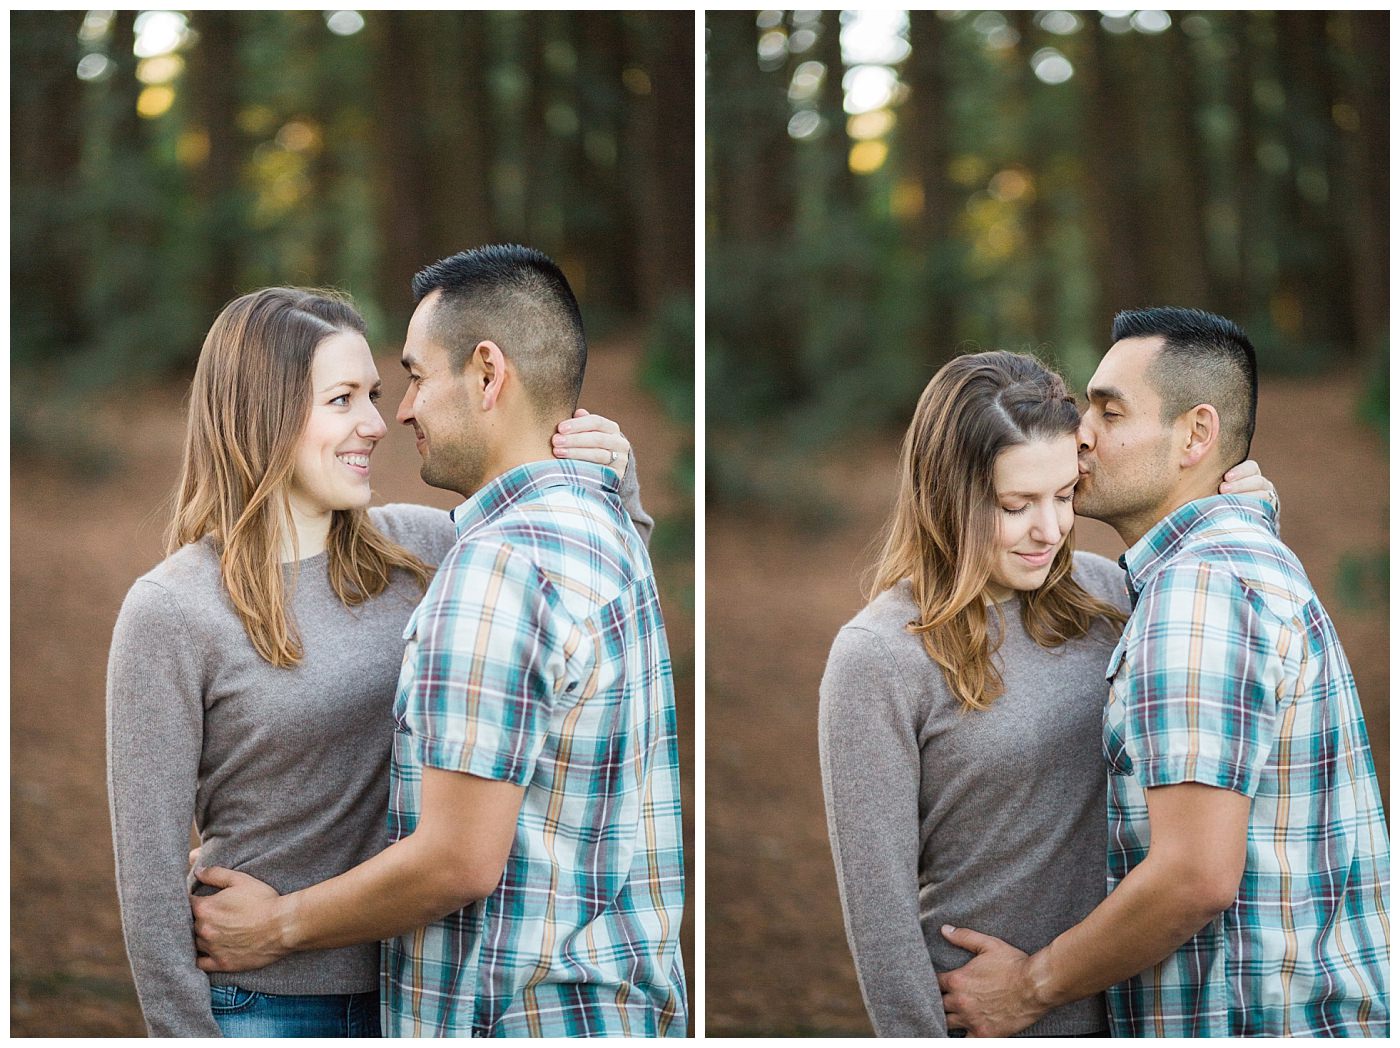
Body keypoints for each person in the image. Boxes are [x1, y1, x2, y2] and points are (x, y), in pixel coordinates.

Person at [106, 283, 646, 1037]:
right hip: (270, 1003)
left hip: (421, 992)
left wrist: (617, 484)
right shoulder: (171, 612)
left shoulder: (426, 546)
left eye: (376, 394)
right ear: (261, 416)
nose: (376, 423)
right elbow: (148, 880)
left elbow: (580, 598)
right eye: (342, 400)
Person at [937, 308, 1390, 1037]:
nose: (1081, 433)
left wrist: (1028, 986)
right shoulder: (1237, 563)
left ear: (1196, 435)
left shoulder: (1200, 592)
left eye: (1110, 411)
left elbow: (1194, 875)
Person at [818, 349, 1274, 1037]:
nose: (1050, 530)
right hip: (986, 1017)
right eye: (1016, 505)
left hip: (1137, 1009)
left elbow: (1224, 659)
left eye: (1064, 496)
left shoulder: (1112, 592)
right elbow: (879, 917)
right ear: (946, 499)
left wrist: (1240, 518)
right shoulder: (878, 658)